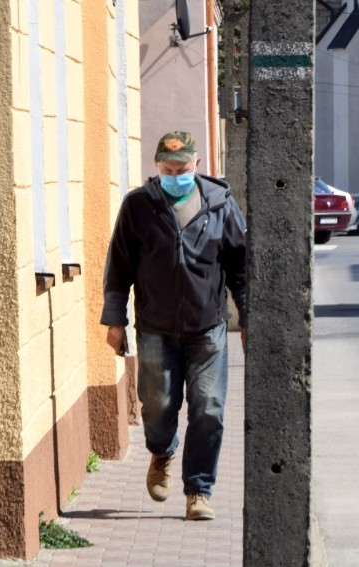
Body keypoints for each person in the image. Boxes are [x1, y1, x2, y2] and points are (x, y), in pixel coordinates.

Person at [100, 131, 247, 521]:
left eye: (182, 169)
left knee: (209, 408)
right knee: (160, 404)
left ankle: (199, 490)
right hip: (156, 328)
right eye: (168, 169)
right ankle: (162, 452)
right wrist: (116, 319)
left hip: (208, 328)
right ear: (157, 168)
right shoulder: (138, 206)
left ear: (196, 165)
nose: (175, 175)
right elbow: (118, 267)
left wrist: (247, 318)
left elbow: (241, 267)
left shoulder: (219, 205)